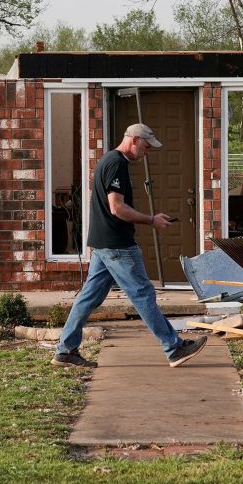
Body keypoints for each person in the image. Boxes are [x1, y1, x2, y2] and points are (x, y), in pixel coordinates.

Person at [53, 122, 207, 369]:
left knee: (88, 298)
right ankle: (174, 347)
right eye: (146, 147)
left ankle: (65, 350)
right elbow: (117, 208)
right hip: (117, 245)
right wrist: (151, 220)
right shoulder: (116, 164)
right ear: (134, 140)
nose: (147, 153)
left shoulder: (108, 161)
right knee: (143, 294)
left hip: (103, 244)